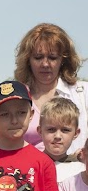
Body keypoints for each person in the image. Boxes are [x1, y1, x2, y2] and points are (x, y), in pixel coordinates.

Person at [15, 23, 87, 155]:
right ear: (27, 60)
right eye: (38, 57)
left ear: (63, 59)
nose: (45, 64)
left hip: (75, 172)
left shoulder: (83, 93)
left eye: (52, 57)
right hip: (30, 173)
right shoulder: (17, 97)